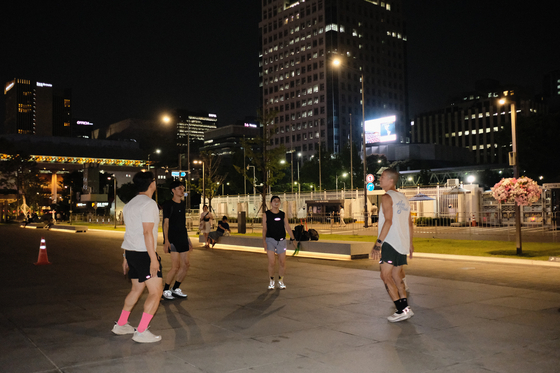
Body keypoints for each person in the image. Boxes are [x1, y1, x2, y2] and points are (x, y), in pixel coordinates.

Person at [111, 171, 163, 343]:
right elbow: (147, 232)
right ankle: (141, 331)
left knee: (136, 289)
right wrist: (153, 259)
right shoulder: (149, 204)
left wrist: (126, 255)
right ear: (152, 184)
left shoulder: (130, 204)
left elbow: (130, 232)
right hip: (144, 254)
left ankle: (121, 324)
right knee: (156, 292)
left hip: (132, 252)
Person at [370, 168, 414, 323]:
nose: (379, 180)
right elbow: (409, 223)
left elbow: (388, 221)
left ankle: (401, 310)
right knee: (397, 276)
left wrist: (378, 244)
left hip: (390, 242)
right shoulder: (403, 198)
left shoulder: (387, 197)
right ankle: (406, 309)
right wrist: (410, 244)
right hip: (401, 242)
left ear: (390, 180)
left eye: (382, 177)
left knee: (385, 276)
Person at [161, 181, 193, 301]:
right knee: (175, 266)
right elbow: (166, 223)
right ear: (173, 190)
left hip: (183, 237)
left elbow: (182, 224)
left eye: (183, 188)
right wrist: (166, 241)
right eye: (179, 188)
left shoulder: (182, 204)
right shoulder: (169, 204)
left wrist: (188, 239)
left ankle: (176, 288)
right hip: (173, 238)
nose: (182, 190)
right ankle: (166, 290)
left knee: (186, 265)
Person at [262, 195, 296, 290]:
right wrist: (264, 241)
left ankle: (280, 281)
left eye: (278, 201)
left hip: (281, 240)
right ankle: (271, 281)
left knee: (282, 262)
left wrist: (293, 239)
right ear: (271, 203)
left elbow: (288, 227)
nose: (276, 202)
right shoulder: (266, 214)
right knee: (272, 262)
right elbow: (264, 229)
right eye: (274, 201)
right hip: (270, 240)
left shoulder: (282, 214)